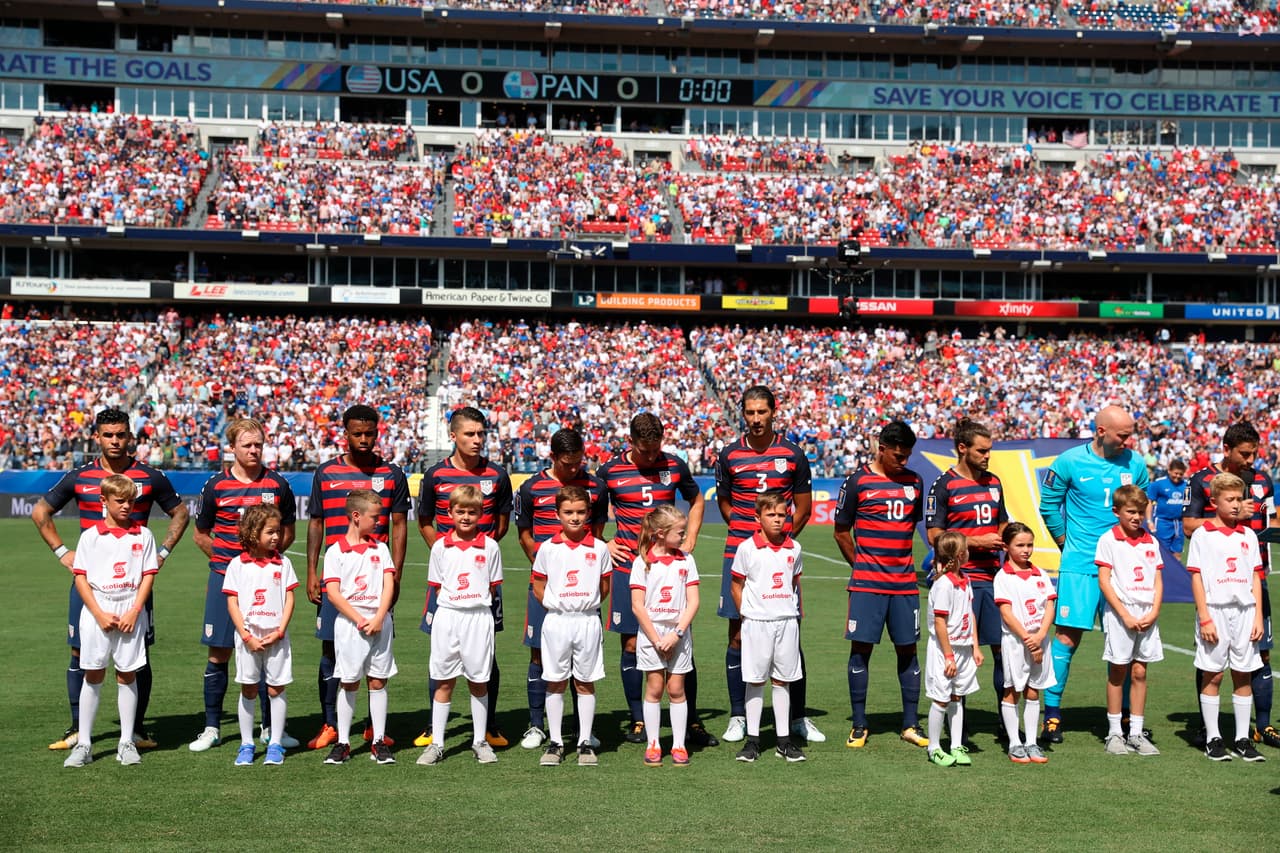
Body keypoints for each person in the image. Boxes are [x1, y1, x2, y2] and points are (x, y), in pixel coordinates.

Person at [33, 407, 189, 752]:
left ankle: (135, 730)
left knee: (138, 653)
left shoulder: (150, 477)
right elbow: (40, 511)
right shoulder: (80, 477)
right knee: (79, 652)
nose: (115, 441)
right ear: (97, 438)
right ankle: (77, 729)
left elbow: (180, 512)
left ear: (130, 436)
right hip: (90, 584)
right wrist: (63, 553)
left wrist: (160, 553)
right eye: (109, 435)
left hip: (134, 584)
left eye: (121, 434)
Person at [599, 412, 712, 747]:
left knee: (681, 641)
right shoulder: (610, 470)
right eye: (644, 450)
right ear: (631, 441)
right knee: (631, 644)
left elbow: (697, 499)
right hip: (629, 566)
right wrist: (604, 541)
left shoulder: (675, 465)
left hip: (670, 566)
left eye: (655, 449)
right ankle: (638, 719)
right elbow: (590, 508)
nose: (651, 457)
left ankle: (690, 721)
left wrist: (690, 537)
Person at [1038, 405, 1148, 743]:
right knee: (1067, 637)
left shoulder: (1136, 464)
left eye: (1130, 433)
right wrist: (1065, 542)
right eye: (1122, 434)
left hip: (1124, 569)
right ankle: (1053, 714)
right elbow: (1048, 505)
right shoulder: (1070, 461)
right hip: (1082, 565)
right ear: (1101, 431)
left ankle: (1126, 716)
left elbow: (1142, 508)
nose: (1129, 440)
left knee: (1128, 641)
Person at [190, 418, 298, 753]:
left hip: (267, 579)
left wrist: (264, 560)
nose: (253, 451)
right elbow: (200, 534)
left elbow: (289, 530)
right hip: (226, 578)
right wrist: (232, 564)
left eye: (258, 445)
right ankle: (212, 727)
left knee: (266, 648)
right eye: (246, 445)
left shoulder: (277, 484)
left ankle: (268, 728)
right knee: (219, 651)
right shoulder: (215, 486)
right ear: (232, 448)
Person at [305, 404, 409, 751]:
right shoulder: (326, 473)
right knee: (332, 648)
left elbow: (399, 526)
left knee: (376, 652)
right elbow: (316, 523)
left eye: (370, 433)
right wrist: (310, 571)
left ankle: (372, 730)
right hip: (338, 576)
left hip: (375, 577)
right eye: (357, 433)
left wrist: (396, 573)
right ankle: (331, 724)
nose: (364, 440)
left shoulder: (392, 473)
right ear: (345, 433)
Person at [715, 386, 814, 745]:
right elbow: (724, 502)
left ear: (774, 412)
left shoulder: (792, 454)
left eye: (762, 412)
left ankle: (797, 718)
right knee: (738, 634)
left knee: (789, 629)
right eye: (750, 413)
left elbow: (803, 507)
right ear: (743, 413)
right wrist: (746, 537)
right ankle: (739, 716)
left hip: (781, 558)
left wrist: (783, 543)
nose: (756, 419)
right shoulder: (729, 454)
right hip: (741, 554)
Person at [414, 407, 512, 750]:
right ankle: (433, 725)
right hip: (448, 581)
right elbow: (424, 519)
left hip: (481, 581)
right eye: (469, 434)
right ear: (453, 436)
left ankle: (488, 725)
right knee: (439, 652)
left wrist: (477, 556)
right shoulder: (435, 475)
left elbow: (501, 524)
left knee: (487, 653)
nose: (476, 440)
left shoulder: (497, 475)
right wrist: (446, 552)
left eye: (481, 434)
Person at [833, 420, 926, 750]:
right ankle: (859, 724)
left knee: (909, 650)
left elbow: (912, 527)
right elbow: (841, 530)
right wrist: (860, 565)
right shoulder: (858, 481)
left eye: (907, 455)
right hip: (867, 584)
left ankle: (910, 724)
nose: (903, 460)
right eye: (897, 455)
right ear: (881, 449)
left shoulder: (915, 482)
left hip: (904, 584)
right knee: (861, 650)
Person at [1184, 422, 1278, 749]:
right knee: (1212, 660)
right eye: (1245, 453)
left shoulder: (1263, 479)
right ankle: (1207, 728)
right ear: (1227, 449)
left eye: (1255, 453)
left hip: (1255, 577)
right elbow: (1188, 525)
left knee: (1261, 652)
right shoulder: (1203, 480)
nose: (1252, 459)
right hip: (1219, 585)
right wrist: (1235, 514)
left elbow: (1273, 519)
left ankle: (1261, 727)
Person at [514, 428, 607, 750]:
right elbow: (523, 533)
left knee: (581, 664)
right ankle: (537, 725)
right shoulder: (531, 488)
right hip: (545, 586)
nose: (574, 470)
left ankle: (582, 731)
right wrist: (545, 563)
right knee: (539, 654)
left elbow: (597, 532)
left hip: (581, 594)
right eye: (567, 464)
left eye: (579, 462)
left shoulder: (595, 486)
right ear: (552, 457)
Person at [62, 475, 159, 769]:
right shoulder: (91, 536)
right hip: (97, 610)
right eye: (121, 501)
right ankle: (84, 744)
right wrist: (99, 613)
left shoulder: (143, 536)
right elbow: (80, 577)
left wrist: (135, 610)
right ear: (103, 501)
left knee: (127, 674)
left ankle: (126, 742)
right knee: (92, 674)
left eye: (131, 500)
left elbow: (148, 575)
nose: (127, 506)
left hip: (131, 608)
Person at [925, 418, 1008, 737]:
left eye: (989, 451)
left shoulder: (994, 482)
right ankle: (956, 721)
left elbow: (1001, 521)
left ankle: (1006, 717)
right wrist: (976, 541)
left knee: (1000, 649)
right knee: (959, 649)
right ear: (963, 449)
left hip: (990, 577)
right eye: (982, 450)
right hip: (957, 580)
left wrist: (1003, 536)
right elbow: (934, 533)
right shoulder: (944, 485)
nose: (987, 456)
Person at [417, 485, 504, 766]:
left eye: (472, 512)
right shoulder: (440, 546)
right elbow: (437, 587)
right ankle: (437, 743)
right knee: (444, 680)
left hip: (478, 618)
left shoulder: (490, 546)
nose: (465, 517)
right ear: (450, 512)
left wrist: (472, 601)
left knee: (479, 681)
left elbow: (493, 587)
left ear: (481, 513)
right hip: (448, 617)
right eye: (460, 511)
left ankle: (479, 741)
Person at [1187, 472, 1266, 762]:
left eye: (1239, 499)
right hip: (1216, 611)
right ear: (1214, 501)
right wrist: (1205, 617)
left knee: (1243, 673)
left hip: (1245, 612)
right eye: (1229, 499)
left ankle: (1243, 739)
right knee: (1214, 673)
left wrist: (1258, 616)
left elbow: (1256, 577)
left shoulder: (1248, 535)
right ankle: (1213, 738)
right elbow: (1196, 578)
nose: (1235, 505)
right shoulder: (1202, 535)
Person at [531, 485, 611, 767]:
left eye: (580, 512)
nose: (575, 517)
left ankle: (585, 742)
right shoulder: (547, 548)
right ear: (557, 514)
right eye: (568, 512)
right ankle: (555, 742)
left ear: (588, 513)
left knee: (585, 681)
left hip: (587, 620)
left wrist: (583, 604)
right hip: (557, 621)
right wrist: (557, 604)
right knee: (555, 680)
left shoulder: (600, 548)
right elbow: (538, 584)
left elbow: (605, 586)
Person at [321, 489, 398, 765]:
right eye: (374, 517)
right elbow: (333, 592)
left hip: (379, 622)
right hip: (350, 625)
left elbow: (389, 583)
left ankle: (378, 740)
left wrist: (379, 616)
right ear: (356, 516)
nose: (379, 522)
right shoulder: (335, 551)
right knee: (349, 680)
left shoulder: (381, 548)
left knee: (378, 680)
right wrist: (358, 618)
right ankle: (343, 742)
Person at [730, 491, 806, 763]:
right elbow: (736, 585)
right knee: (755, 679)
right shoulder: (746, 548)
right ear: (757, 517)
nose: (777, 520)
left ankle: (784, 741)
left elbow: (794, 584)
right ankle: (752, 741)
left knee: (782, 680)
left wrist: (795, 612)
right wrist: (746, 615)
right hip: (757, 623)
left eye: (781, 515)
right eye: (771, 515)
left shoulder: (794, 548)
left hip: (786, 621)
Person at [221, 504, 299, 767]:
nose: (276, 537)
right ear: (253, 532)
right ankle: (246, 744)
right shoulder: (237, 565)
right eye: (270, 532)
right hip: (248, 639)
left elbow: (289, 598)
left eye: (277, 531)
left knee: (276, 688)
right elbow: (232, 602)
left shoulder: (284, 563)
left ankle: (275, 743)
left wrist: (280, 631)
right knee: (249, 688)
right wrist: (246, 635)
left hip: (276, 638)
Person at [629, 505, 700, 767]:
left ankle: (679, 745)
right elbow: (638, 605)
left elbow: (693, 602)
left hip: (679, 633)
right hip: (652, 634)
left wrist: (676, 634)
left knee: (676, 689)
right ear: (660, 533)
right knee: (655, 688)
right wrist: (656, 639)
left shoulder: (687, 560)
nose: (683, 537)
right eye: (680, 533)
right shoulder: (642, 562)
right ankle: (654, 743)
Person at [1096, 485, 1163, 756]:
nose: (1136, 517)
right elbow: (1104, 580)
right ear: (1117, 512)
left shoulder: (1151, 541)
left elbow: (1158, 580)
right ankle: (1114, 733)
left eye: (1140, 512)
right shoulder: (1108, 540)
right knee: (1118, 671)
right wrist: (1124, 614)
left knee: (1140, 672)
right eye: (1130, 512)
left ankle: (1136, 732)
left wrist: (1154, 611)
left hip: (1147, 613)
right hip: (1120, 614)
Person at [994, 522, 1055, 764]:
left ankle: (1031, 742)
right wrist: (1028, 639)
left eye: (1029, 545)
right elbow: (1007, 612)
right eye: (1020, 545)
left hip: (1040, 640)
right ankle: (1014, 743)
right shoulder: (1003, 576)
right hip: (1016, 642)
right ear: (1007, 547)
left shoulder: (1040, 573)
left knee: (1034, 689)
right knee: (1013, 689)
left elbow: (1049, 605)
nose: (1026, 550)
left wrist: (1040, 636)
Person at [924, 531, 983, 767]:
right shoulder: (943, 584)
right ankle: (934, 747)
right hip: (945, 650)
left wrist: (975, 646)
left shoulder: (965, 580)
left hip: (964, 648)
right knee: (941, 699)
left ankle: (956, 744)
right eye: (967, 549)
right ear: (960, 554)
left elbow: (970, 614)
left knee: (957, 696)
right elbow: (940, 622)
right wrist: (948, 655)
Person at [1145, 459, 1188, 556]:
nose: (1178, 476)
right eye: (1175, 473)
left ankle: (1176, 571)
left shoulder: (1186, 485)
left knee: (1177, 552)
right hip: (1163, 522)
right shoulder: (1159, 484)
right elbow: (1149, 502)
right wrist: (1149, 521)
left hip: (1180, 523)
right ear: (1169, 471)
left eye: (1180, 474)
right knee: (1162, 553)